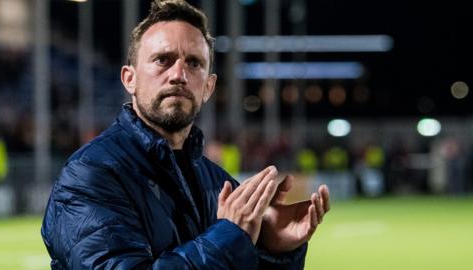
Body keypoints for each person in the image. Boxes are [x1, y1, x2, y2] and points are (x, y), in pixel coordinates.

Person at [41, 1, 330, 269]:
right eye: (162, 60)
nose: (178, 74)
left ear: (208, 87)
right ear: (130, 78)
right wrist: (229, 237)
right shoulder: (90, 176)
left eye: (194, 63)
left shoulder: (217, 182)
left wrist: (273, 251)